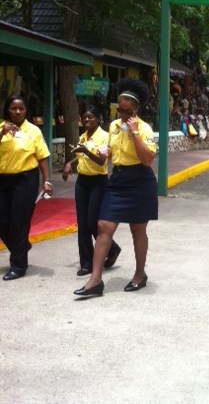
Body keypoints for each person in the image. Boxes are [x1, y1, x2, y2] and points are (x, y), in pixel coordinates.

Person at [74, 78, 158, 298]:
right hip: (118, 180)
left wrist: (135, 133)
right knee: (103, 225)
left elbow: (147, 159)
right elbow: (108, 152)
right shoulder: (112, 126)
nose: (123, 115)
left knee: (138, 229)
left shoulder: (144, 128)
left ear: (137, 109)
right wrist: (104, 153)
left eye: (127, 111)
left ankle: (140, 274)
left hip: (140, 180)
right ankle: (95, 281)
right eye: (120, 110)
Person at [62, 105, 122, 276]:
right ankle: (86, 263)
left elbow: (101, 162)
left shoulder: (104, 136)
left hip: (98, 182)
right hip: (82, 182)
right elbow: (79, 154)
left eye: (91, 117)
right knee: (82, 223)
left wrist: (86, 151)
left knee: (92, 222)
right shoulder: (83, 136)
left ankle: (112, 249)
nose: (87, 120)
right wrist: (69, 163)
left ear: (98, 118)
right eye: (84, 117)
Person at [0, 95, 52, 280]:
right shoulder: (1, 127)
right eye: (13, 108)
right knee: (2, 220)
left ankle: (18, 266)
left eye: (21, 108)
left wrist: (47, 180)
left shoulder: (33, 131)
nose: (17, 112)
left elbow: (42, 157)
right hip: (3, 180)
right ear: (7, 110)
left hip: (25, 179)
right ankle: (20, 246)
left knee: (19, 222)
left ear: (26, 110)